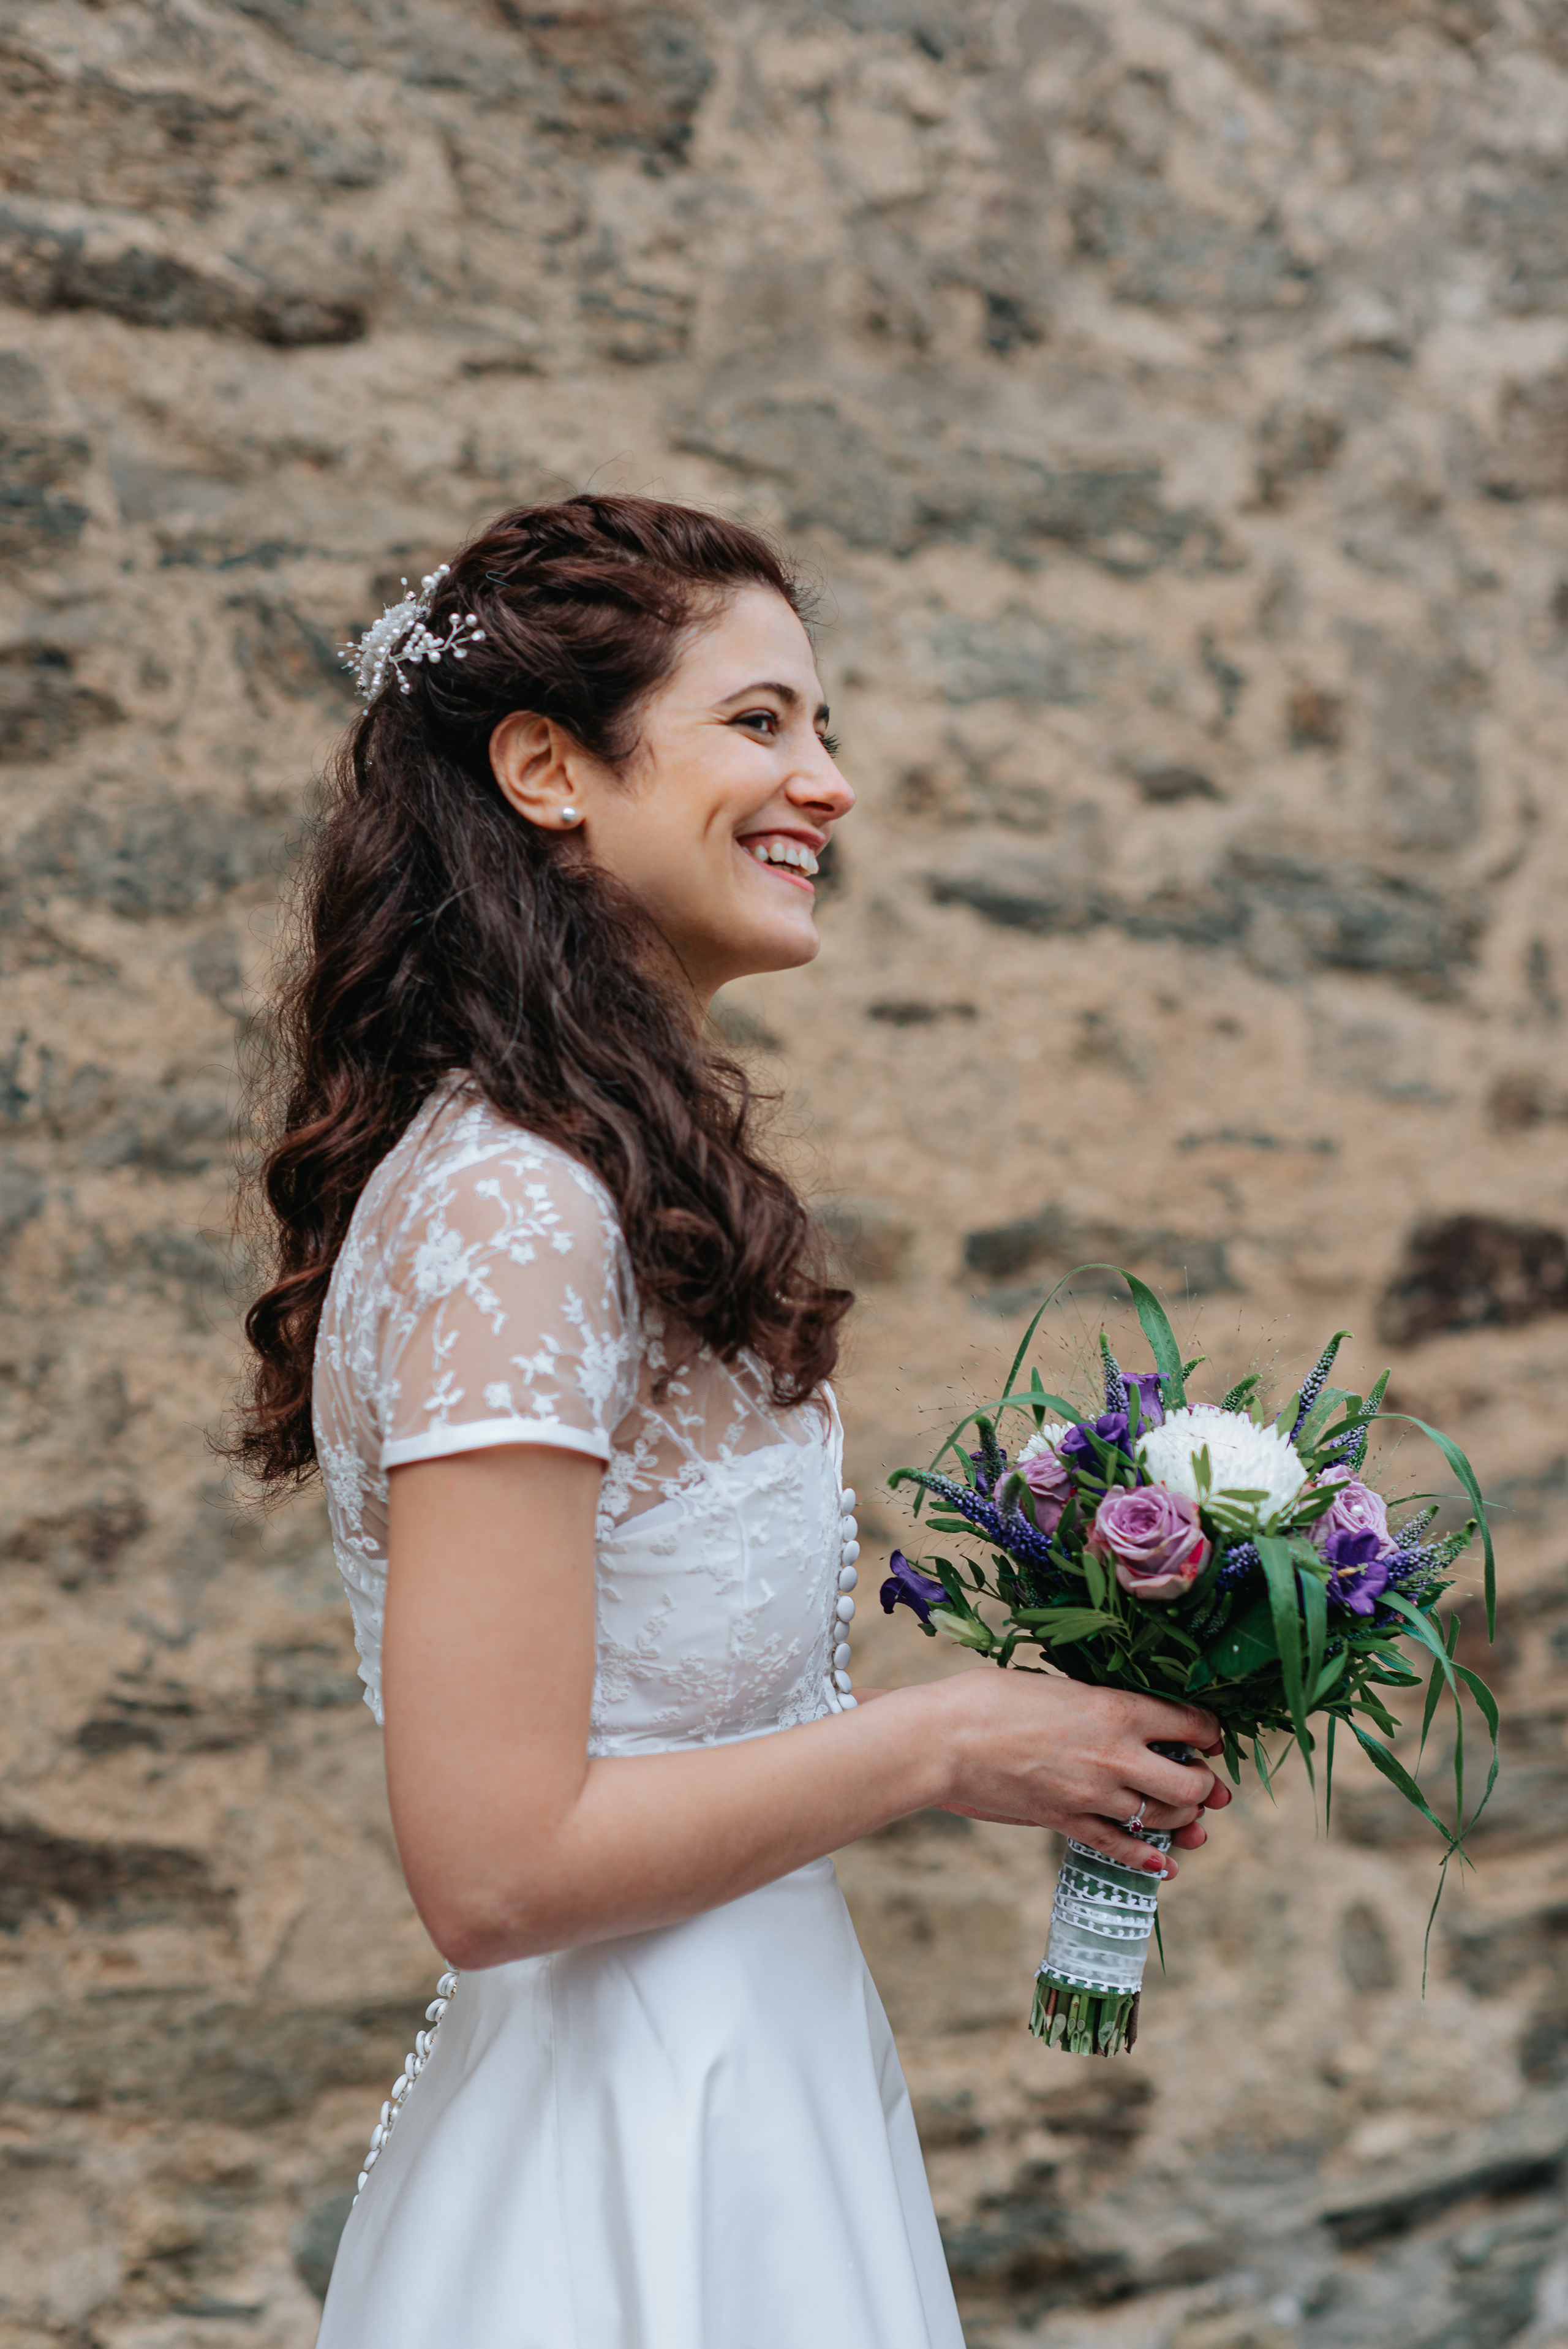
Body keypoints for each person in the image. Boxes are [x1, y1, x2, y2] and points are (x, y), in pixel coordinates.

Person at [233, 493, 1229, 2348]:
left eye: (823, 725)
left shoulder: (596, 1171)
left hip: (757, 2087)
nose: (829, 781)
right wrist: (945, 1742)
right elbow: (496, 1863)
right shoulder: (510, 1205)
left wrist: (1066, 1734)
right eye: (761, 721)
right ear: (547, 766)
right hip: (627, 2163)